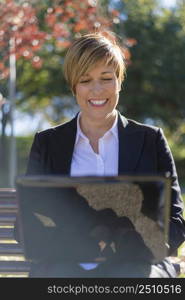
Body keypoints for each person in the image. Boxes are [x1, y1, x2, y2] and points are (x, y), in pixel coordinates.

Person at [20, 30, 185, 277]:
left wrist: (128, 244)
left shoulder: (150, 140)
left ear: (119, 80)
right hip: (66, 267)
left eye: (106, 78)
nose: (96, 90)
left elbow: (175, 222)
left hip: (135, 265)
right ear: (74, 86)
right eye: (85, 80)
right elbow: (27, 223)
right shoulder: (48, 144)